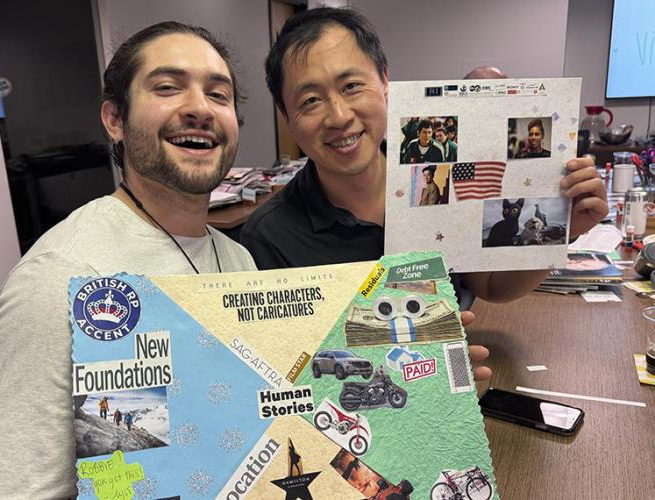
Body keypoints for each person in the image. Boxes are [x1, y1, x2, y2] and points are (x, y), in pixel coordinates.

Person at [0, 21, 257, 499]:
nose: (200, 108)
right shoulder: (61, 277)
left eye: (218, 95)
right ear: (115, 120)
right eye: (167, 88)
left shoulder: (239, 260)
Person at [240, 7, 606, 355]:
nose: (338, 116)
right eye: (310, 100)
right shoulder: (270, 237)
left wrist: (566, 230)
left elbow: (491, 285)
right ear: (287, 116)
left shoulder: (437, 174)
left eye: (351, 85)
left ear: (384, 81)